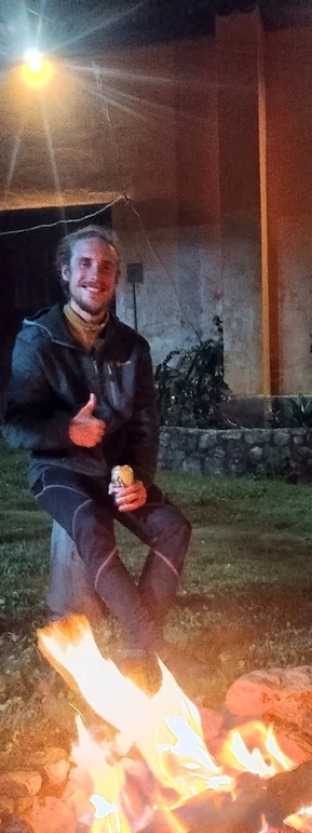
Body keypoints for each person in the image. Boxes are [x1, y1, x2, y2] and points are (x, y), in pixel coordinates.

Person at [3, 225, 192, 694]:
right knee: (89, 522)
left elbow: (146, 425)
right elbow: (14, 423)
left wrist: (140, 480)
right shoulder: (38, 339)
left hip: (114, 473)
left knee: (174, 527)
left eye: (106, 267)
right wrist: (67, 430)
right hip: (59, 471)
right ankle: (146, 638)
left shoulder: (133, 348)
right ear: (66, 273)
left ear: (116, 278)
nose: (96, 275)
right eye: (85, 264)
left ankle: (134, 647)